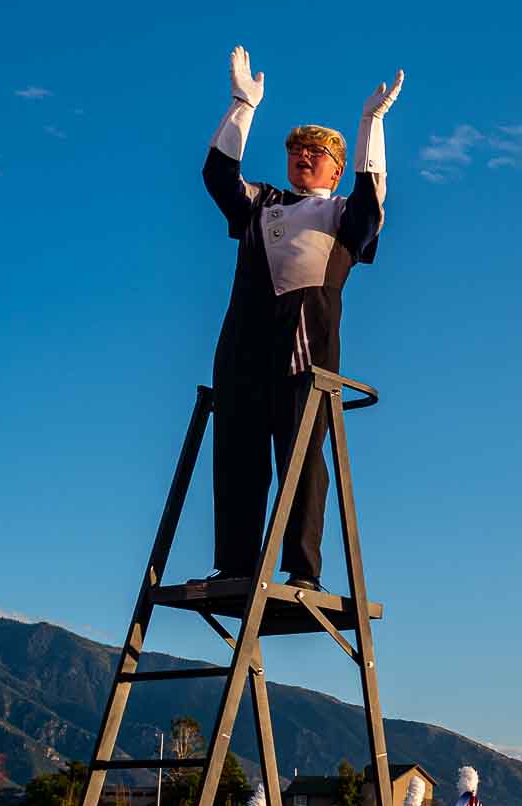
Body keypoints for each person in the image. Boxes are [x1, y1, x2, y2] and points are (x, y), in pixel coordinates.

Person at [202, 46, 401, 591]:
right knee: (237, 451)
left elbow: (372, 197)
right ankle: (235, 562)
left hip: (305, 350)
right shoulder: (261, 202)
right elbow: (219, 176)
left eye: (317, 153)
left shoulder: (341, 215)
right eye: (297, 151)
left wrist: (369, 126)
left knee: (301, 458)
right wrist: (243, 105)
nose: (304, 158)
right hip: (243, 343)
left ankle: (302, 570)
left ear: (336, 168)